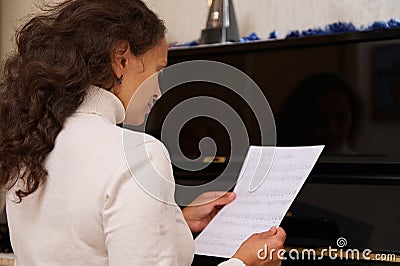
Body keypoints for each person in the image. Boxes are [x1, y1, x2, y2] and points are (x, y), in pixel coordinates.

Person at [0, 0, 285, 265]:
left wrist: (175, 223)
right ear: (121, 59)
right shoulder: (138, 155)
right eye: (159, 70)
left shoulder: (30, 144)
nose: (160, 90)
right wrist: (243, 262)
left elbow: (84, 242)